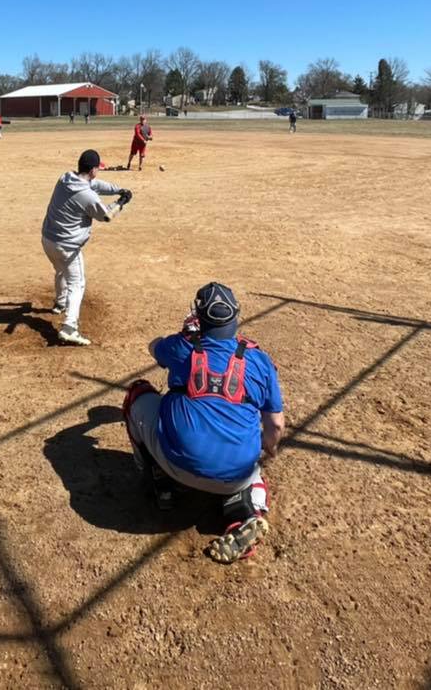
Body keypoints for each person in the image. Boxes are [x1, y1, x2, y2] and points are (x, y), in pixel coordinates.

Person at [122, 282, 285, 563]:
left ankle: (158, 481)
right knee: (250, 470)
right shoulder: (260, 360)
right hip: (234, 475)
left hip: (177, 464)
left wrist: (184, 335)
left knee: (137, 393)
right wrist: (268, 449)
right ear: (236, 316)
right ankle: (247, 515)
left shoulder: (182, 347)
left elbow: (153, 346)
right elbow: (276, 426)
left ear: (200, 317)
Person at [41, 149, 132, 346]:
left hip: (48, 240)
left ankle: (60, 303)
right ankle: (69, 328)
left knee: (60, 270)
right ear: (92, 170)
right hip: (67, 246)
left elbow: (95, 185)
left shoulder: (65, 178)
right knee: (77, 282)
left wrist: (118, 189)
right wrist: (121, 201)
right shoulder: (88, 197)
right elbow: (106, 216)